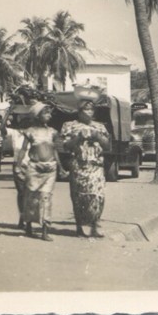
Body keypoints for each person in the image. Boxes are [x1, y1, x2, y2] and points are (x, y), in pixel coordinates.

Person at [61, 99, 109, 239]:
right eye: (85, 110)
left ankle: (95, 225)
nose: (89, 112)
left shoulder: (100, 127)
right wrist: (78, 138)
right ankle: (80, 227)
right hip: (78, 166)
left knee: (97, 196)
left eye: (91, 109)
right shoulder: (69, 126)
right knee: (79, 197)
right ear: (79, 111)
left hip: (96, 166)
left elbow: (107, 146)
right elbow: (66, 146)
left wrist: (97, 136)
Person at [19, 102, 59, 241]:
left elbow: (55, 150)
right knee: (31, 198)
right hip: (34, 168)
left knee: (46, 198)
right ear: (37, 115)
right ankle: (29, 226)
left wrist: (61, 167)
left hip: (50, 169)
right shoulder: (30, 131)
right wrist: (18, 165)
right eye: (45, 113)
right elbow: (24, 149)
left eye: (49, 113)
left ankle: (45, 231)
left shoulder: (53, 132)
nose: (49, 115)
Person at [9, 115, 30, 229]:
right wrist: (8, 113)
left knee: (31, 192)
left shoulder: (33, 134)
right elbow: (2, 128)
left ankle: (29, 218)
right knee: (21, 192)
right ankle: (22, 217)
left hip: (32, 165)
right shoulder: (14, 133)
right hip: (18, 165)